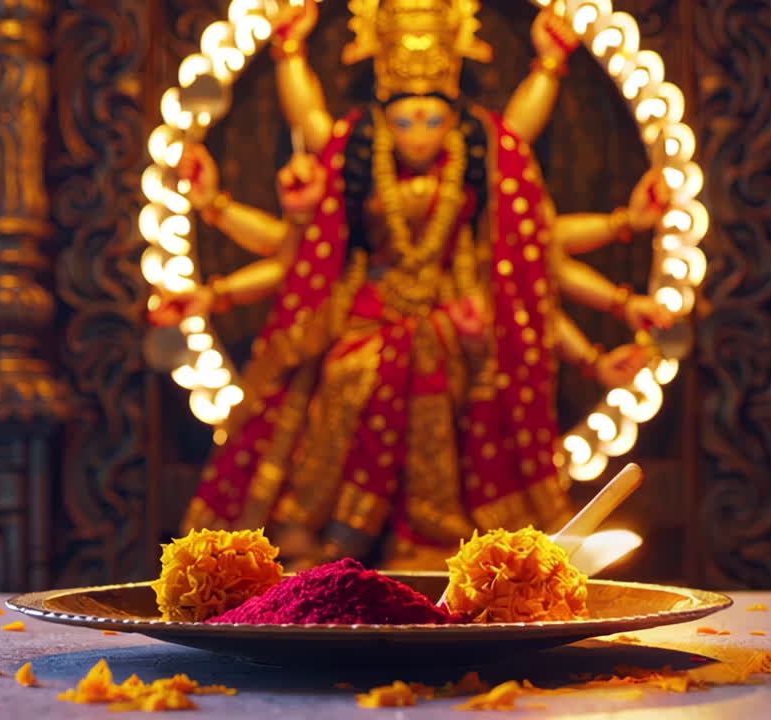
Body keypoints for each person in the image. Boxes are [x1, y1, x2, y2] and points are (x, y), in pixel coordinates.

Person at [167, 0, 671, 569]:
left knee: (440, 369)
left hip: (455, 323)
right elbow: (293, 245)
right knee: (348, 373)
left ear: (453, 119)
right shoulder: (353, 154)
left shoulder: (482, 159)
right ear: (385, 120)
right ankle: (329, 541)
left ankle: (438, 545)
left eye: (433, 120)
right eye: (405, 121)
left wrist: (621, 239)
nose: (419, 135)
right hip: (367, 315)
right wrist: (287, 54)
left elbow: (536, 263)